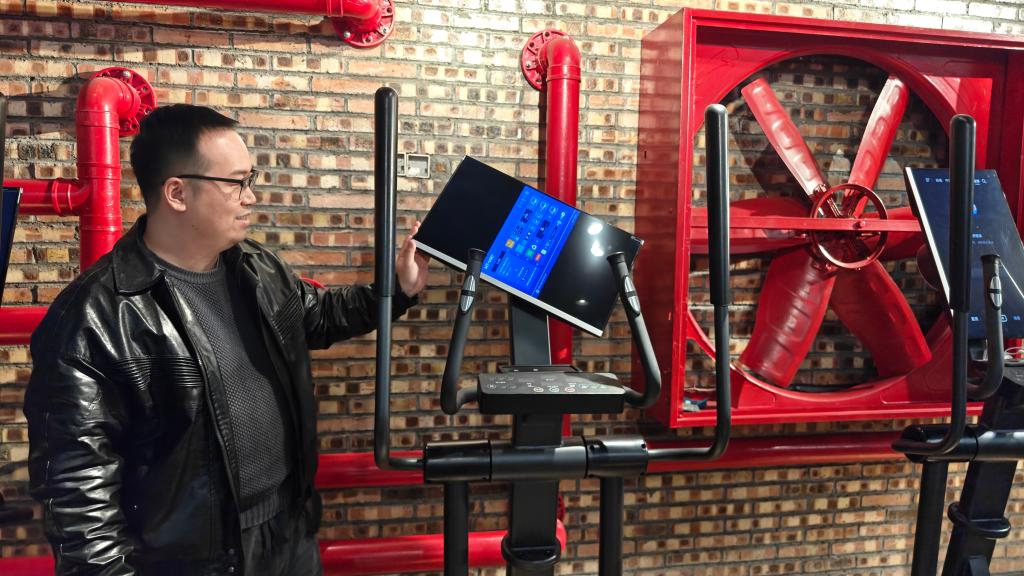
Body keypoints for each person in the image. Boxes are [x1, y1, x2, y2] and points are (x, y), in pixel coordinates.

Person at [23, 103, 428, 575]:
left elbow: (317, 316)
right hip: (195, 562)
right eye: (237, 183)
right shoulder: (94, 317)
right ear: (177, 193)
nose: (251, 197)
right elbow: (79, 494)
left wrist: (396, 290)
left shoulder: (255, 266)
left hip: (288, 536)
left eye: (250, 179)